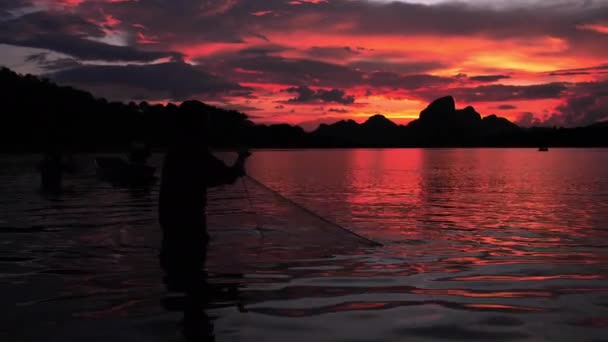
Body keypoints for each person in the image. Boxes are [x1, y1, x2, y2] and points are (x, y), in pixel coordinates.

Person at [158, 100, 251, 293]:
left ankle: (184, 291)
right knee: (192, 258)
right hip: (189, 217)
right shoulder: (194, 149)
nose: (208, 125)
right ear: (198, 123)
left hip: (169, 215)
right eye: (206, 121)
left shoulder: (177, 147)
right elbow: (230, 176)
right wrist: (242, 157)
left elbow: (209, 178)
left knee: (176, 261)